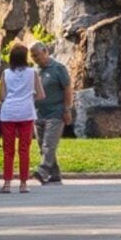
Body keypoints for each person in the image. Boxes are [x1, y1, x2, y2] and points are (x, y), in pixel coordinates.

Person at [0, 44, 43, 192]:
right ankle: (23, 184)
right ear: (25, 57)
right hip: (26, 113)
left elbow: (2, 96)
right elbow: (41, 95)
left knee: (8, 151)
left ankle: (7, 184)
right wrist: (28, 96)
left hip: (8, 113)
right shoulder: (32, 73)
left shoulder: (5, 73)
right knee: (24, 150)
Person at [36, 38, 74, 186]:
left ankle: (43, 170)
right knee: (42, 144)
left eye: (37, 55)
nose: (35, 59)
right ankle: (55, 174)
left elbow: (68, 89)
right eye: (33, 56)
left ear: (45, 52)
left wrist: (67, 109)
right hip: (39, 113)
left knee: (49, 144)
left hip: (56, 113)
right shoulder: (35, 70)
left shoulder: (58, 69)